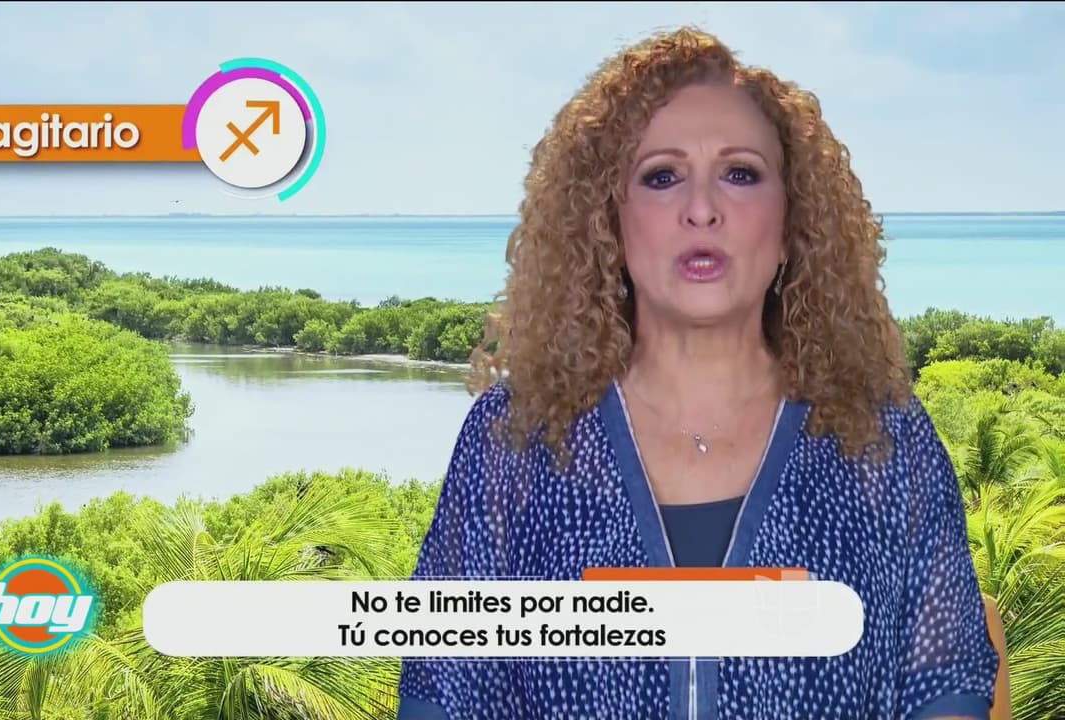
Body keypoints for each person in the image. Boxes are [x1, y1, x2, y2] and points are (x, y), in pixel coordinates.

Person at [396, 26, 999, 720]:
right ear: (609, 223)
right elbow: (442, 693)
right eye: (662, 176)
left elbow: (945, 688)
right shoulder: (514, 441)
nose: (703, 209)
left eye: (740, 173)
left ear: (792, 223)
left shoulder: (884, 443)